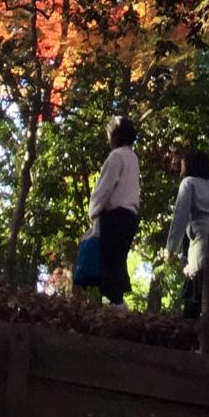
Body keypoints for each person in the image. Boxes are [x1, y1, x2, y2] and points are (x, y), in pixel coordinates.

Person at [89, 115, 141, 306]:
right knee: (118, 261)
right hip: (130, 216)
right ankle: (117, 303)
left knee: (109, 264)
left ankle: (116, 306)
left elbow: (104, 188)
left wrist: (93, 211)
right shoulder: (133, 157)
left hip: (114, 216)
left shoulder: (116, 157)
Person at [165, 147, 209, 320]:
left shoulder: (189, 183)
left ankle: (189, 343)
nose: (181, 171)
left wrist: (171, 249)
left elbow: (180, 217)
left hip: (200, 250)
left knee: (193, 304)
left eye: (183, 166)